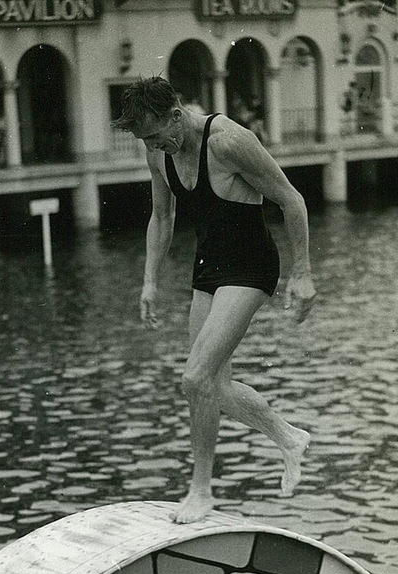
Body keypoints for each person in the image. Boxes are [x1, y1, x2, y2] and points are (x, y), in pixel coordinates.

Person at [113, 77, 315, 524]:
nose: (152, 145)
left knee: (195, 377)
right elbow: (162, 217)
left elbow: (292, 200)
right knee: (212, 388)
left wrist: (302, 274)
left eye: (155, 134)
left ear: (175, 114)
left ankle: (201, 491)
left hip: (251, 265)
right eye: (144, 139)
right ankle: (288, 436)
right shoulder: (158, 150)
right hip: (208, 267)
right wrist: (149, 281)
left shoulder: (229, 142)